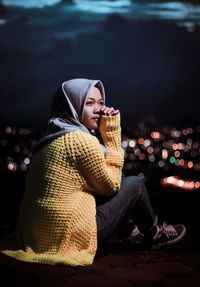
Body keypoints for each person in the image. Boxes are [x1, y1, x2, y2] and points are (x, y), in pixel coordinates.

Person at [0, 78, 186, 266]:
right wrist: (111, 132)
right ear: (73, 105)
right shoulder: (81, 141)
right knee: (135, 184)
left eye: (101, 102)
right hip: (69, 236)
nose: (98, 109)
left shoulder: (51, 136)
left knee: (117, 175)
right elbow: (111, 186)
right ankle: (154, 233)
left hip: (37, 235)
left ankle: (130, 231)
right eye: (89, 103)